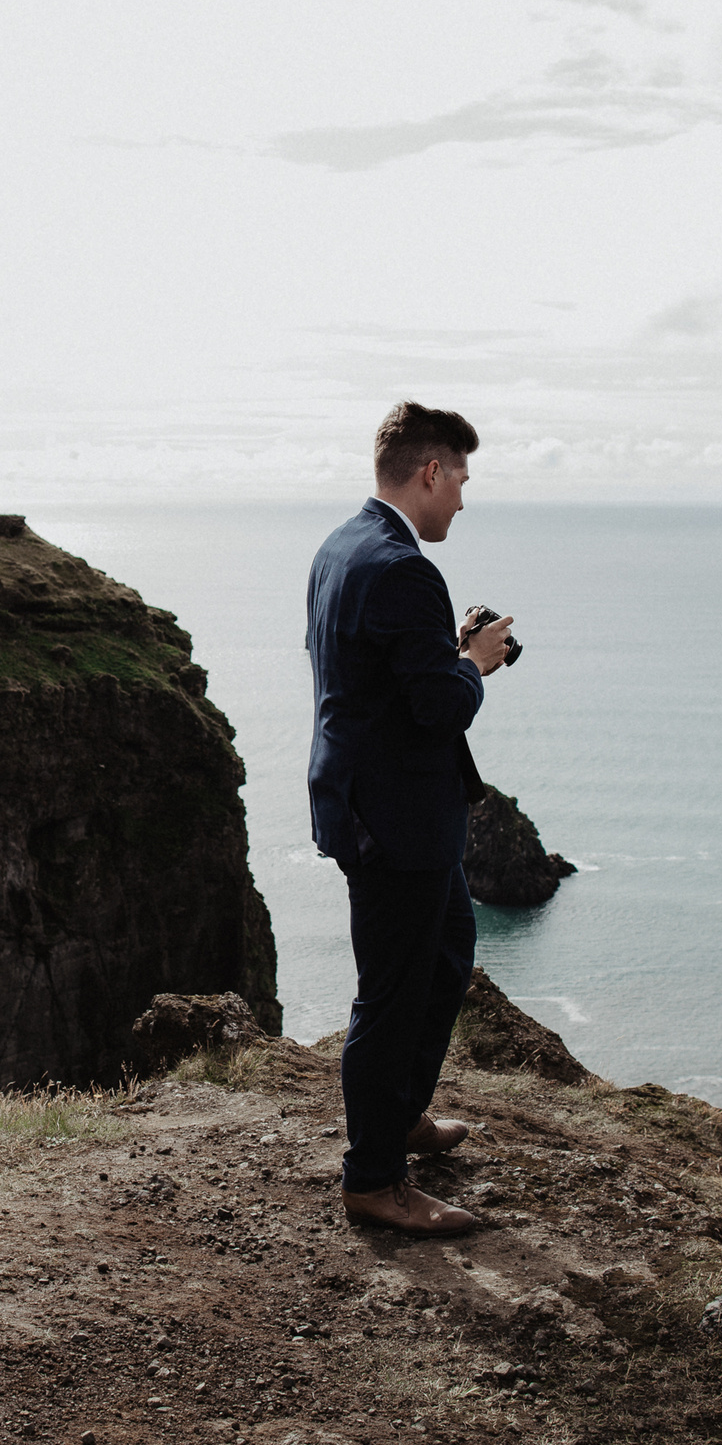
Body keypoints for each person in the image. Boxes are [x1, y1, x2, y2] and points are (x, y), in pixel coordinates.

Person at [306, 401, 515, 1235]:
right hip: (393, 815)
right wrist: (475, 661)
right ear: (430, 471)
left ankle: (400, 1117)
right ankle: (374, 1178)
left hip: (373, 798)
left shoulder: (342, 545)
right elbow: (438, 706)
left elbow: (377, 674)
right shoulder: (404, 568)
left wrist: (446, 649)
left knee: (445, 955)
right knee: (391, 993)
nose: (462, 499)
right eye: (460, 479)